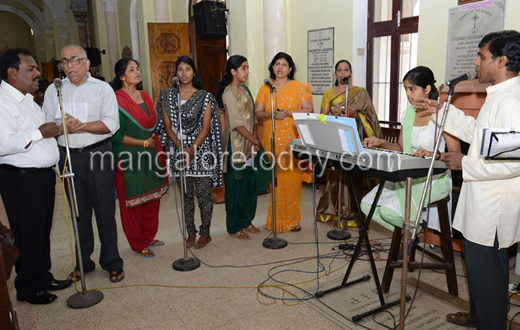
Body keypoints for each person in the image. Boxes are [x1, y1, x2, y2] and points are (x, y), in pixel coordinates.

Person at [417, 31, 520, 329]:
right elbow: (481, 137)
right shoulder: (499, 94)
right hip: (483, 200)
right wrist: (442, 112)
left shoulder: (511, 103)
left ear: (501, 61)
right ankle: (478, 316)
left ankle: (489, 322)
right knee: (477, 270)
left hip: (494, 208)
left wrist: (465, 163)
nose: (476, 62)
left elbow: (512, 162)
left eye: (482, 56)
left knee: (488, 274)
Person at [43, 44, 125, 283]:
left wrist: (83, 126)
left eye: (74, 59)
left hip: (98, 153)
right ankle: (83, 262)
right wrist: (61, 128)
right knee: (78, 212)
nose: (69, 65)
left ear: (87, 63)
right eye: (64, 61)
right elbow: (47, 125)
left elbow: (112, 123)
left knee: (105, 212)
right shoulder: (53, 90)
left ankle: (112, 262)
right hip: (68, 157)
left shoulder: (102, 89)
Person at [0, 48, 71, 305]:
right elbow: (3, 144)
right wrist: (40, 133)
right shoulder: (3, 102)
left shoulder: (26, 98)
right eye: (30, 69)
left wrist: (58, 129)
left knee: (41, 230)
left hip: (40, 176)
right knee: (28, 233)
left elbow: (40, 133)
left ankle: (43, 276)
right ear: (12, 73)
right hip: (21, 179)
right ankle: (28, 287)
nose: (38, 73)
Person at [361, 66, 460, 233]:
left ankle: (412, 233)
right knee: (366, 206)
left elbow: (456, 155)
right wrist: (380, 142)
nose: (407, 94)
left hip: (434, 177)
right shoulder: (408, 113)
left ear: (427, 89)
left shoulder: (444, 114)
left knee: (387, 212)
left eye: (412, 89)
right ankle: (410, 235)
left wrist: (434, 155)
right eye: (406, 89)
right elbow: (400, 148)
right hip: (408, 173)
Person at [156, 56, 223, 249]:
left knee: (203, 194)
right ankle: (191, 232)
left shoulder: (205, 97)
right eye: (180, 69)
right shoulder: (167, 96)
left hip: (201, 150)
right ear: (175, 73)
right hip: (178, 150)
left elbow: (206, 127)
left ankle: (205, 232)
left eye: (188, 69)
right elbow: (167, 125)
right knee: (185, 196)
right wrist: (180, 147)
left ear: (194, 73)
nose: (184, 73)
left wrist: (192, 149)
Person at [111, 58, 169, 258]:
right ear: (121, 76)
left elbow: (152, 124)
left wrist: (151, 145)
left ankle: (149, 235)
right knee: (133, 202)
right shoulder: (116, 100)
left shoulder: (144, 95)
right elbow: (116, 135)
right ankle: (138, 243)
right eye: (131, 69)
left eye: (137, 68)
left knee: (152, 197)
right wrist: (143, 143)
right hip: (129, 157)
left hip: (151, 154)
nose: (137, 72)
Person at [316, 59, 383, 226]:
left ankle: (352, 213)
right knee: (335, 175)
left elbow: (371, 117)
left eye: (346, 70)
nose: (343, 73)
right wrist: (332, 114)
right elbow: (321, 118)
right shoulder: (329, 94)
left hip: (354, 138)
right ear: (336, 74)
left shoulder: (360, 92)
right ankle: (332, 210)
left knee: (353, 175)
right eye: (340, 70)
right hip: (335, 139)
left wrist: (356, 115)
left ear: (351, 74)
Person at [255, 52, 313, 233]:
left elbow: (309, 109)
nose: (280, 67)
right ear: (272, 67)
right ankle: (276, 221)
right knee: (276, 182)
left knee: (292, 181)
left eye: (284, 64)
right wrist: (271, 115)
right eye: (277, 64)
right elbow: (258, 113)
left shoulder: (300, 87)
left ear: (290, 69)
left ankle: (293, 220)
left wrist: (290, 113)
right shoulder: (266, 88)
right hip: (271, 140)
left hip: (292, 140)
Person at [218, 55, 262, 240]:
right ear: (233, 71)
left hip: (248, 144)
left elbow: (251, 119)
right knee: (236, 187)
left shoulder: (244, 90)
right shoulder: (229, 92)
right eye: (243, 68)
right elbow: (236, 123)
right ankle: (234, 225)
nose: (247, 71)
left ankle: (246, 220)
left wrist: (253, 142)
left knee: (249, 185)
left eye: (247, 67)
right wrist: (255, 141)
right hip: (234, 145)